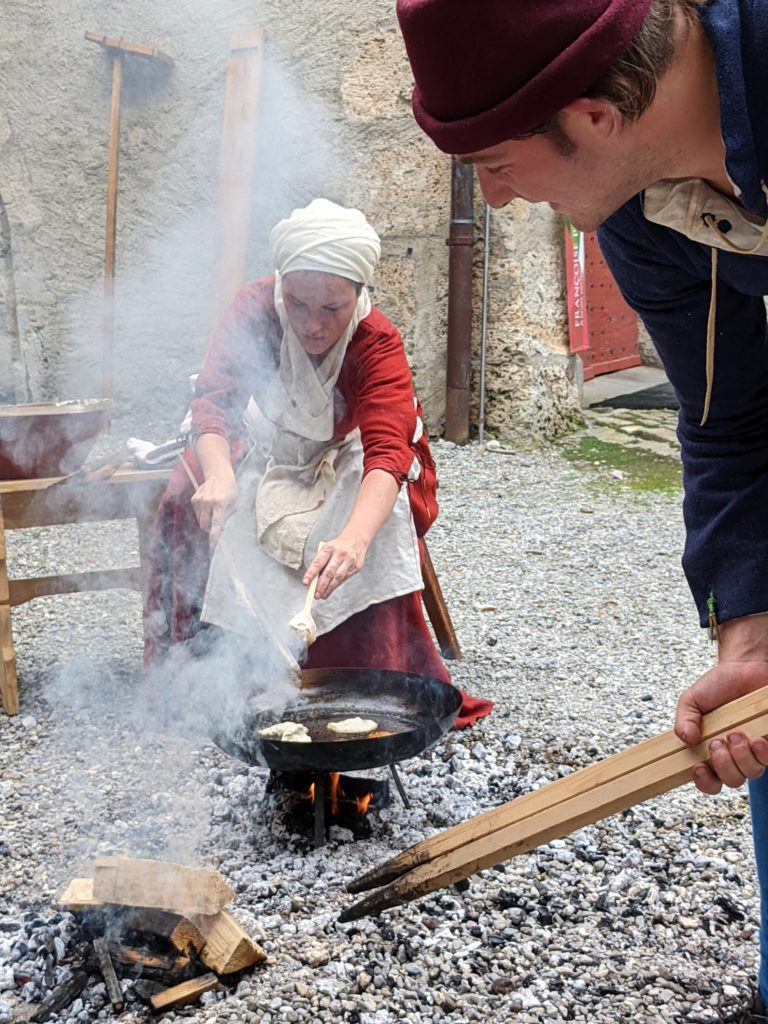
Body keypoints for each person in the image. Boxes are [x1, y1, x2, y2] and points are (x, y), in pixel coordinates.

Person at [396, 0, 768, 1016]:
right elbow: (727, 419)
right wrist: (751, 625)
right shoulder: (645, 211)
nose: (500, 199)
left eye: (500, 164)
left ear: (596, 114)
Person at [144, 197, 492, 730]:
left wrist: (353, 539)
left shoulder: (376, 341)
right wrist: (218, 477)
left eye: (331, 309)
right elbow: (214, 402)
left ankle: (363, 673)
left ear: (357, 295)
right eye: (298, 304)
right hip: (272, 440)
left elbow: (387, 451)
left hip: (351, 452)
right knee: (196, 501)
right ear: (281, 285)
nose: (311, 325)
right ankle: (224, 669)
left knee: (380, 524)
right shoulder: (255, 308)